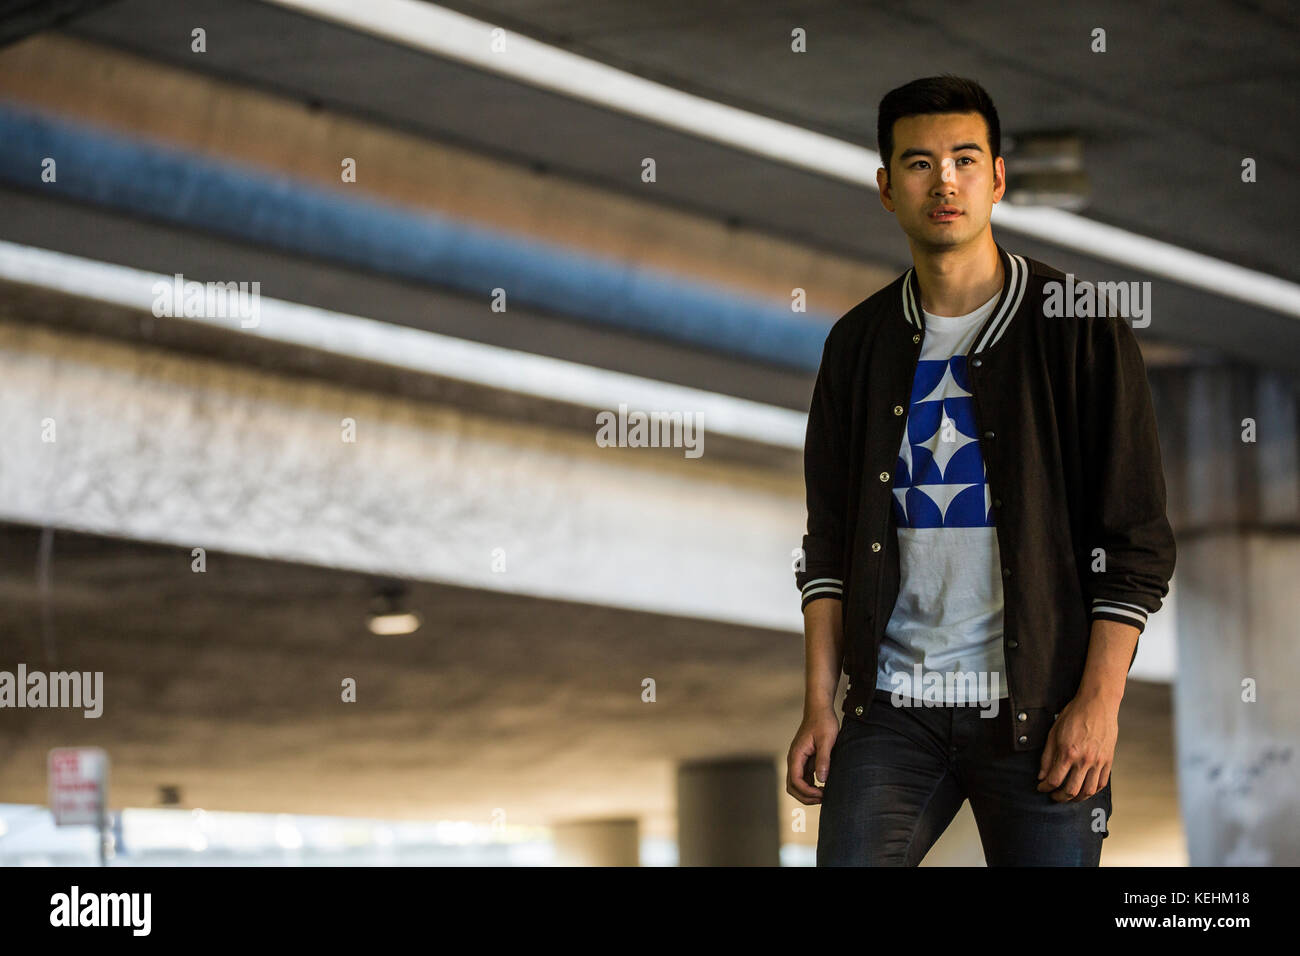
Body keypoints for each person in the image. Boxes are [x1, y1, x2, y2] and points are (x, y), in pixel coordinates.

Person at [785, 75, 1176, 866]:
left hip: (1040, 714)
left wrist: (1098, 706)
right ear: (887, 188)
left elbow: (1134, 545)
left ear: (998, 177)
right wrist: (819, 705)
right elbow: (827, 545)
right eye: (920, 163)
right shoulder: (857, 347)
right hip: (892, 710)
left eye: (966, 159)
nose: (946, 181)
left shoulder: (1080, 328)